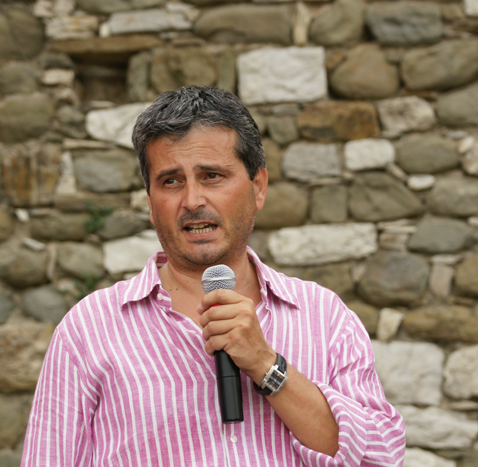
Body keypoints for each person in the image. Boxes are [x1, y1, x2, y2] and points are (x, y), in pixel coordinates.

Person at [21, 86, 405, 466]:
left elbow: (382, 460)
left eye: (212, 176)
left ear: (258, 188)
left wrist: (266, 365)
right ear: (151, 204)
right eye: (171, 181)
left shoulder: (325, 319)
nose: (192, 200)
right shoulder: (89, 330)